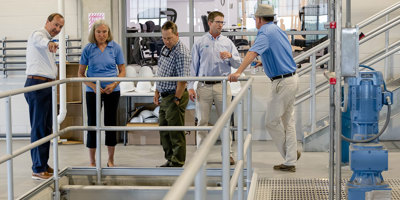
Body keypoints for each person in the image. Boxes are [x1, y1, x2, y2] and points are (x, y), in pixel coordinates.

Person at [228, 4, 300, 172]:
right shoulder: (277, 30)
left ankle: (291, 155)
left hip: (283, 83)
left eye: (255, 19)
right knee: (287, 122)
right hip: (291, 78)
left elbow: (251, 53)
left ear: (260, 19)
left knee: (271, 122)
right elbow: (281, 51)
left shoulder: (264, 33)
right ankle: (290, 160)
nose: (255, 22)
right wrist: (265, 61)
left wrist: (238, 72)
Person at [188, 11, 241, 165]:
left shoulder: (227, 43)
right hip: (204, 86)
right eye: (218, 22)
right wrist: (191, 87)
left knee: (225, 121)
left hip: (222, 86)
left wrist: (230, 57)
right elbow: (193, 67)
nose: (220, 25)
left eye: (222, 22)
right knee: (202, 121)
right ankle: (201, 155)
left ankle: (228, 155)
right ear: (210, 23)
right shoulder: (199, 42)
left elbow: (238, 65)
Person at [78, 20, 126, 167]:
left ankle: (111, 159)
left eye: (104, 32)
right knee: (92, 123)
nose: (101, 35)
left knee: (110, 123)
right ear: (94, 33)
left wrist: (114, 84)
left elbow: (122, 71)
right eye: (98, 32)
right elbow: (80, 74)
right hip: (93, 91)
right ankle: (92, 161)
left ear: (108, 33)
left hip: (113, 90)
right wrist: (92, 85)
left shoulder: (115, 48)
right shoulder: (88, 49)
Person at [24, 13, 65, 180]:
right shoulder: (38, 34)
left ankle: (43, 163)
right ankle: (37, 168)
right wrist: (49, 43)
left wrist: (51, 43)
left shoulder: (50, 40)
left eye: (60, 27)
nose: (57, 29)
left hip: (47, 87)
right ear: (47, 22)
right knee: (39, 127)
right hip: (37, 86)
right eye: (55, 25)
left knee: (47, 128)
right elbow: (40, 41)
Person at [154, 21, 191, 167]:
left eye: (169, 38)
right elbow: (160, 71)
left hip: (175, 95)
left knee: (175, 131)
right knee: (164, 130)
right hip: (164, 94)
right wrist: (157, 91)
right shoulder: (165, 48)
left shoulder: (181, 52)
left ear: (177, 35)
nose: (166, 41)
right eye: (164, 38)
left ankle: (177, 162)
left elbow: (182, 80)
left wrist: (177, 99)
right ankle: (169, 159)